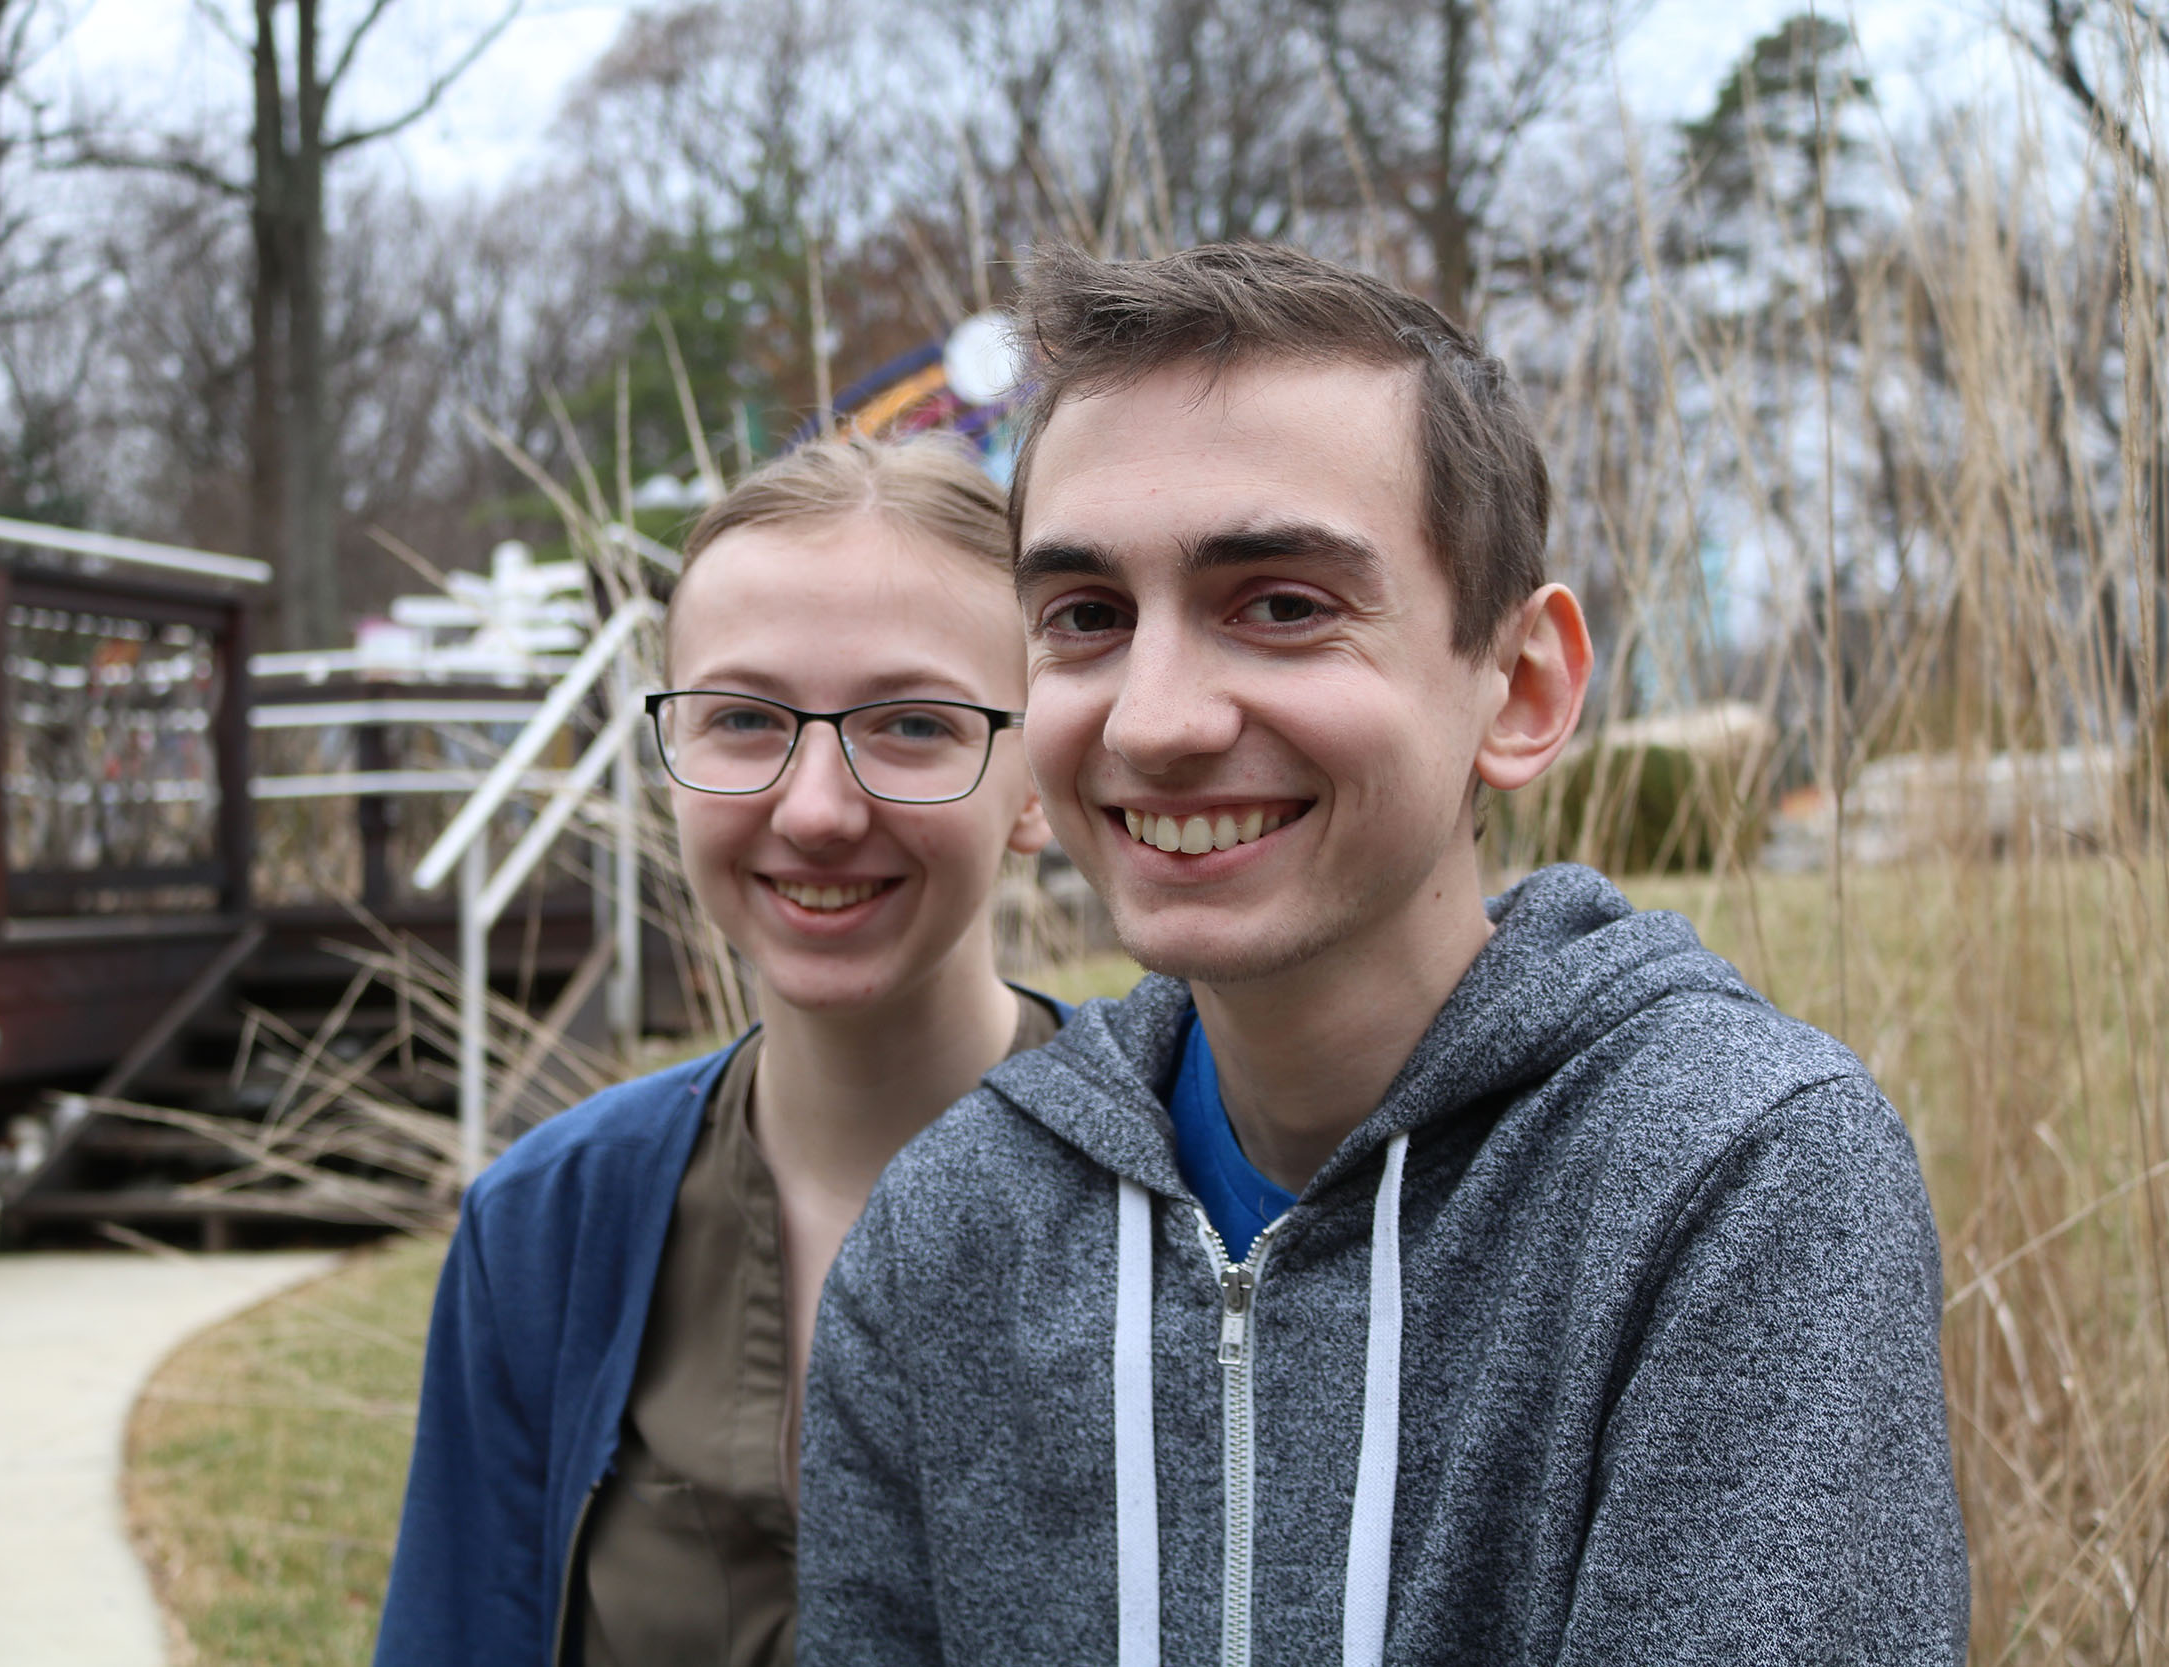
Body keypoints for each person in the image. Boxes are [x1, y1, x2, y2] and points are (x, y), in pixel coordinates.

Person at [798, 244, 1969, 1665]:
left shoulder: (1731, 1180)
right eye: (1088, 618)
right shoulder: (952, 1235)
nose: (1155, 719)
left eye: (1282, 603)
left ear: (1522, 688)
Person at [374, 434, 1058, 1667]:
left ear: (1037, 776)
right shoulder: (548, 1227)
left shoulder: (1197, 1192)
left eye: (910, 724)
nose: (815, 808)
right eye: (743, 718)